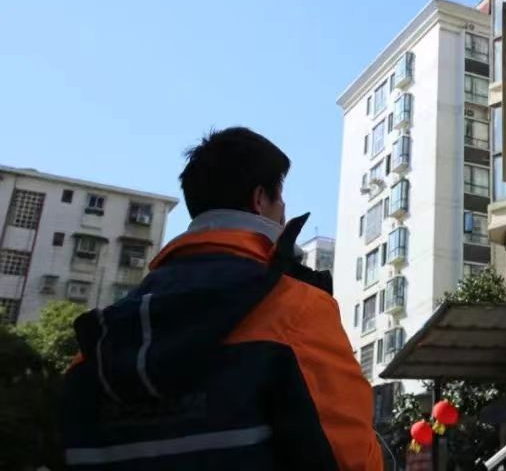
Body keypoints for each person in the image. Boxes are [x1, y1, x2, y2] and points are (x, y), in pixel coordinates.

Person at [62, 127, 383, 470]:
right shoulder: (296, 311)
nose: (284, 210)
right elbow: (350, 458)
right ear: (260, 199)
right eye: (280, 198)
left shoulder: (98, 343)